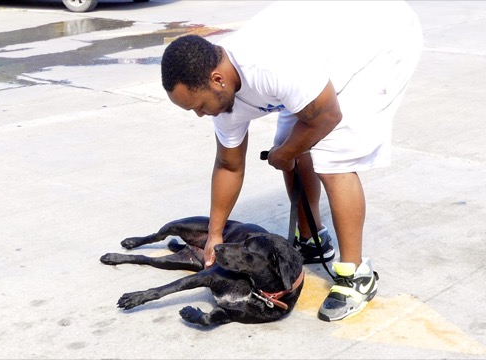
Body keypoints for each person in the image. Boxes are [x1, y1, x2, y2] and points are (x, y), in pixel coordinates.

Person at [160, 1, 422, 321]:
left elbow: (327, 115)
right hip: (321, 52)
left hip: (379, 35)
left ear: (217, 80)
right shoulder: (221, 96)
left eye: (198, 106)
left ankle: (357, 275)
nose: (200, 114)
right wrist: (215, 235)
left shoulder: (268, 65)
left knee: (332, 154)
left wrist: (286, 153)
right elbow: (229, 165)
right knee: (291, 142)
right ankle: (312, 240)